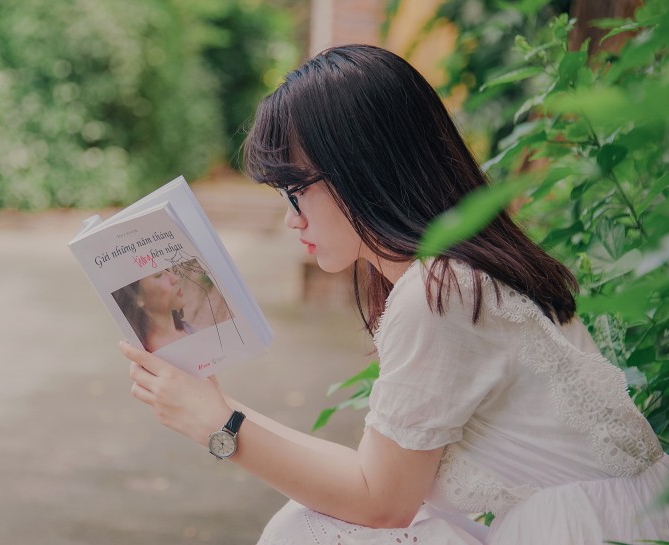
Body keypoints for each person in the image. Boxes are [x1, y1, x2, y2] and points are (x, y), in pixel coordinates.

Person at [121, 45, 668, 544]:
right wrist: (220, 410)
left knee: (308, 533)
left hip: (586, 534)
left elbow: (381, 504)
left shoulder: (439, 293)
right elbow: (373, 473)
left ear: (361, 169)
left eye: (295, 192)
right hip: (609, 522)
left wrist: (220, 430)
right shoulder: (461, 271)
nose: (291, 220)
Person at [112, 267, 194, 352]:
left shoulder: (187, 329)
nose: (175, 278)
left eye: (167, 270)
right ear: (137, 298)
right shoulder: (144, 351)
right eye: (158, 275)